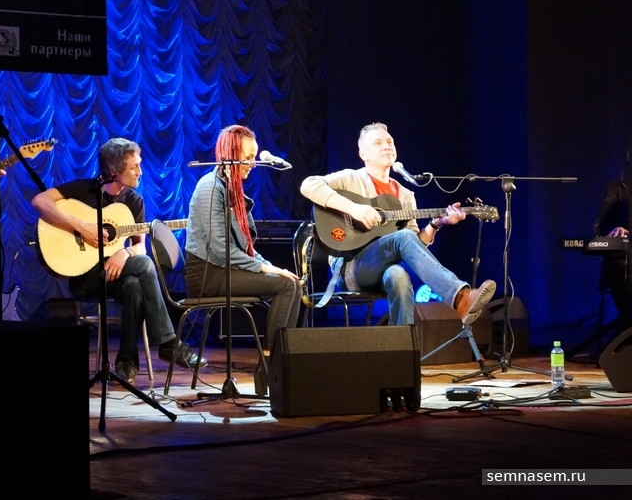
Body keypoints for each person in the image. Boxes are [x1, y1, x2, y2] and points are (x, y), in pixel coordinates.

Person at [31, 137, 206, 384]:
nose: (140, 172)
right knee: (144, 266)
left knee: (134, 284)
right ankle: (168, 343)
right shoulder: (84, 190)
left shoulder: (134, 202)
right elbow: (40, 201)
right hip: (86, 278)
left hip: (116, 276)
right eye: (134, 167)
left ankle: (126, 365)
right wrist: (82, 227)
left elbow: (140, 247)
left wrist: (124, 253)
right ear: (114, 171)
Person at [300, 122, 496, 326]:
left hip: (383, 270)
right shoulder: (351, 178)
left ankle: (401, 343)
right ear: (363, 154)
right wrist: (354, 209)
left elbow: (413, 243)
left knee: (398, 275)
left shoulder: (405, 195)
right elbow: (308, 185)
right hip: (350, 268)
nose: (386, 146)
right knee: (403, 239)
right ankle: (460, 297)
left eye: (390, 142)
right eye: (378, 143)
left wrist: (436, 224)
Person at [184, 125, 301, 396]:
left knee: (293, 283)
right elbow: (219, 249)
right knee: (286, 286)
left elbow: (245, 249)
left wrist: (273, 267)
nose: (253, 164)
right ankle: (270, 369)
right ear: (231, 155)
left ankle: (278, 366)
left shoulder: (233, 190)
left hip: (223, 268)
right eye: (248, 157)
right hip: (207, 273)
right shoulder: (210, 188)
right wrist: (265, 268)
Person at [593, 176, 631, 331]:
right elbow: (600, 224)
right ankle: (626, 330)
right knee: (619, 268)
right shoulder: (617, 189)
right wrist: (616, 230)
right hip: (623, 260)